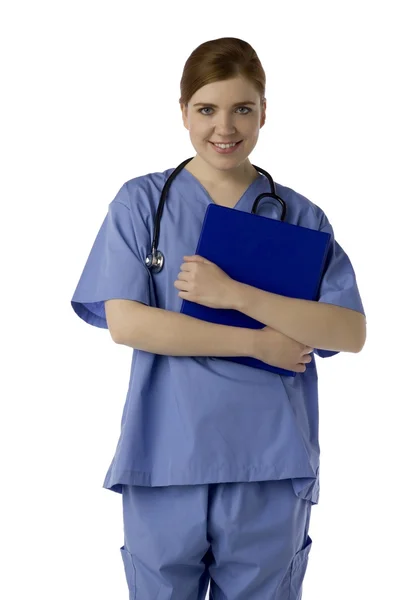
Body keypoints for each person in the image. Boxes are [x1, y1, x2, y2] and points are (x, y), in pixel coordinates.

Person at [71, 37, 366, 600]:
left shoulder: (300, 216)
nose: (224, 127)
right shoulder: (141, 204)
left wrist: (235, 293)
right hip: (164, 457)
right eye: (207, 109)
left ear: (264, 112)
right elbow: (127, 323)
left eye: (242, 109)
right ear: (183, 111)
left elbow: (348, 331)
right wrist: (258, 344)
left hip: (269, 462)